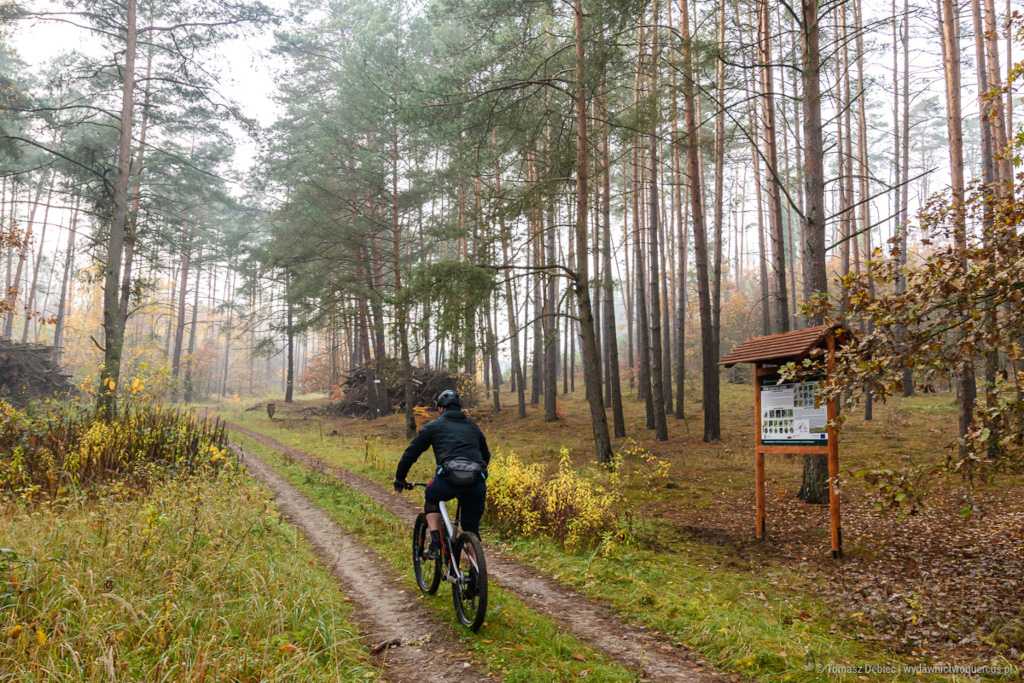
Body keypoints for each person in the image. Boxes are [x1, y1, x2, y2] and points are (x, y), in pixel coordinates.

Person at [393, 390, 490, 560]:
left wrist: (400, 478)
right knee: (470, 529)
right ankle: (477, 576)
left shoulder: (433, 426)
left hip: (448, 480)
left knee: (431, 495)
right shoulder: (473, 426)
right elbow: (486, 455)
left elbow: (410, 454)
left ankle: (435, 542)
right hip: (476, 481)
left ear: (439, 409)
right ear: (460, 408)